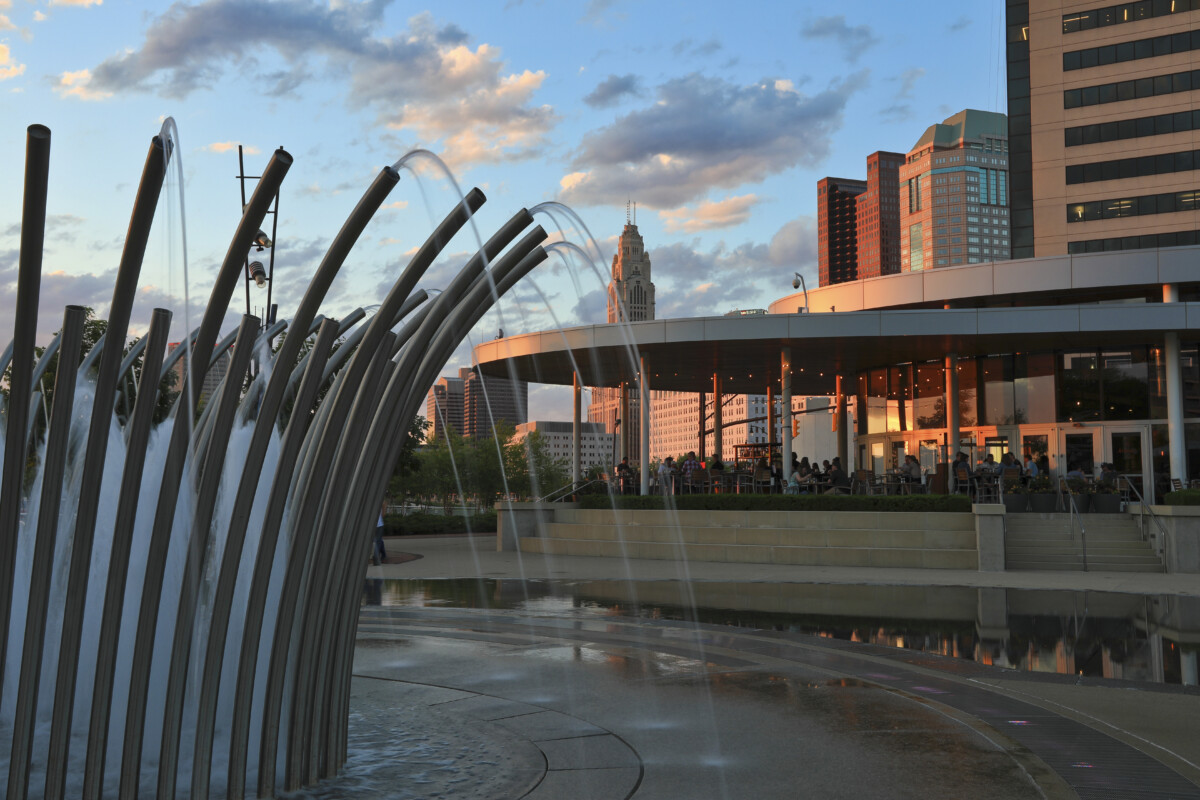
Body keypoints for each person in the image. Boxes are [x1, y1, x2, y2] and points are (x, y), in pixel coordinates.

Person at [372, 499, 388, 566]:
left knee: (377, 541)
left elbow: (383, 512)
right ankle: (383, 555)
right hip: (378, 525)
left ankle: (376, 558)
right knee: (379, 540)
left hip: (379, 525)